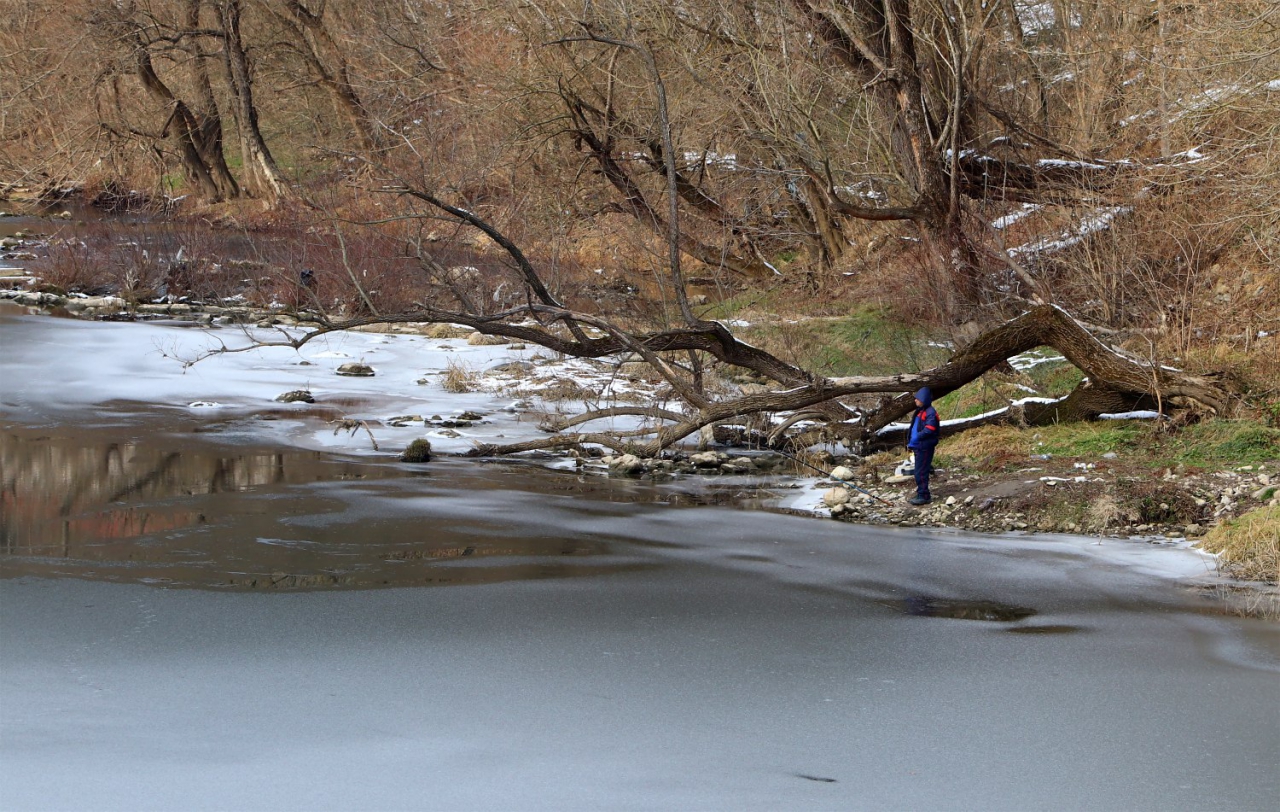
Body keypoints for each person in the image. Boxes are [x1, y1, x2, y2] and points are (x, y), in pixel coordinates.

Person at [906, 387, 940, 505]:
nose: (915, 400)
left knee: (920, 472)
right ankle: (921, 492)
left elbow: (930, 429)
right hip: (918, 446)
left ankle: (924, 496)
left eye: (917, 398)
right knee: (920, 471)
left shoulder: (930, 412)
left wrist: (918, 437)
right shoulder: (921, 411)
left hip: (924, 446)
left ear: (923, 399)